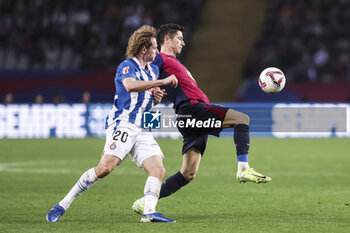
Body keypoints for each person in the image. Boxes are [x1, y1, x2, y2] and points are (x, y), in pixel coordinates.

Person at [132, 23, 271, 214]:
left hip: (188, 116)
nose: (183, 42)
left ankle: (145, 201)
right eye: (179, 38)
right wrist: (151, 92)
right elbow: (145, 77)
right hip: (193, 110)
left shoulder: (175, 63)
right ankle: (244, 168)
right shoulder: (160, 59)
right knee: (241, 119)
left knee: (187, 174)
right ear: (166, 39)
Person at [46, 25, 178, 223]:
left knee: (158, 169)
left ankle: (149, 213)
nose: (157, 51)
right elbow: (130, 85)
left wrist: (156, 98)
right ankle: (62, 204)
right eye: (153, 47)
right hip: (123, 124)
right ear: (144, 48)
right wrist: (162, 83)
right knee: (105, 168)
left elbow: (146, 101)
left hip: (141, 127)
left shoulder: (152, 71)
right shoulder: (127, 67)